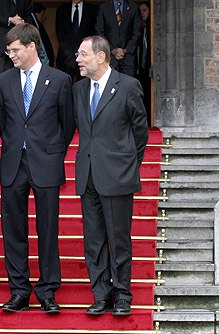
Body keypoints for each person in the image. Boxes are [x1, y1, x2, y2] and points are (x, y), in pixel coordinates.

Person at [0, 23, 75, 314]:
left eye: (15, 50)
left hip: (46, 162)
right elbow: (0, 123)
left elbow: (67, 124)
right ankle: (19, 290)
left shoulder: (60, 79)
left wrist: (52, 151)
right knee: (12, 229)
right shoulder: (3, 81)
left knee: (48, 228)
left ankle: (47, 290)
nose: (11, 55)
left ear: (31, 47)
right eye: (8, 50)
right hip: (14, 163)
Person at [73, 35, 148, 316]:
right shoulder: (78, 89)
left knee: (118, 239)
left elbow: (139, 132)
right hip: (88, 175)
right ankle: (101, 294)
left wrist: (127, 163)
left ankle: (123, 294)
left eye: (82, 54)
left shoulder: (128, 86)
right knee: (93, 240)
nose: (77, 59)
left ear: (101, 56)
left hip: (117, 175)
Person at [0, 0, 32, 89]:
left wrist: (22, 22)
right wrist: (9, 20)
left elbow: (28, 15)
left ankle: (9, 102)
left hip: (17, 42)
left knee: (13, 78)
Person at [55, 0, 98, 82]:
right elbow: (59, 32)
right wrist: (68, 51)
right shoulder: (61, 9)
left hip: (86, 56)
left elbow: (95, 32)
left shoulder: (93, 9)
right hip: (66, 57)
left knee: (85, 85)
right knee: (64, 84)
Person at [96, 0, 141, 77]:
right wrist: (112, 50)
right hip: (110, 57)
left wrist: (125, 50)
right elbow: (99, 32)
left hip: (128, 58)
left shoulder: (133, 7)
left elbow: (137, 32)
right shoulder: (104, 7)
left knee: (129, 85)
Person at [136, 2, 152, 127]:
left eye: (144, 10)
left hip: (150, 68)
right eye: (140, 11)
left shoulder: (152, 30)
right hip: (139, 69)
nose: (142, 13)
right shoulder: (139, 29)